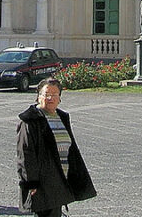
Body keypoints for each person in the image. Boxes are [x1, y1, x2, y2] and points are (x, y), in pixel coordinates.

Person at [16, 77, 96, 217]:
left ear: (60, 98)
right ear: (39, 96)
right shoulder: (30, 120)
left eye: (54, 95)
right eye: (46, 94)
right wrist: (30, 182)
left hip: (60, 176)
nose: (50, 98)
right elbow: (25, 154)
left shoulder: (62, 117)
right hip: (42, 181)